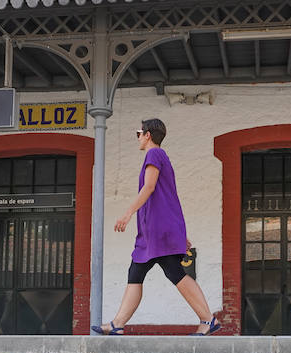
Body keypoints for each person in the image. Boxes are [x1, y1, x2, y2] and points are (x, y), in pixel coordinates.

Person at [92, 118, 221, 336]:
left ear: (148, 134)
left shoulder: (154, 154)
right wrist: (179, 232)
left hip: (157, 230)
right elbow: (167, 195)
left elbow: (150, 187)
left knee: (174, 272)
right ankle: (117, 324)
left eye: (138, 133)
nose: (138, 138)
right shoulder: (160, 156)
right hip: (155, 230)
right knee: (136, 272)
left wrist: (127, 212)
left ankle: (208, 320)